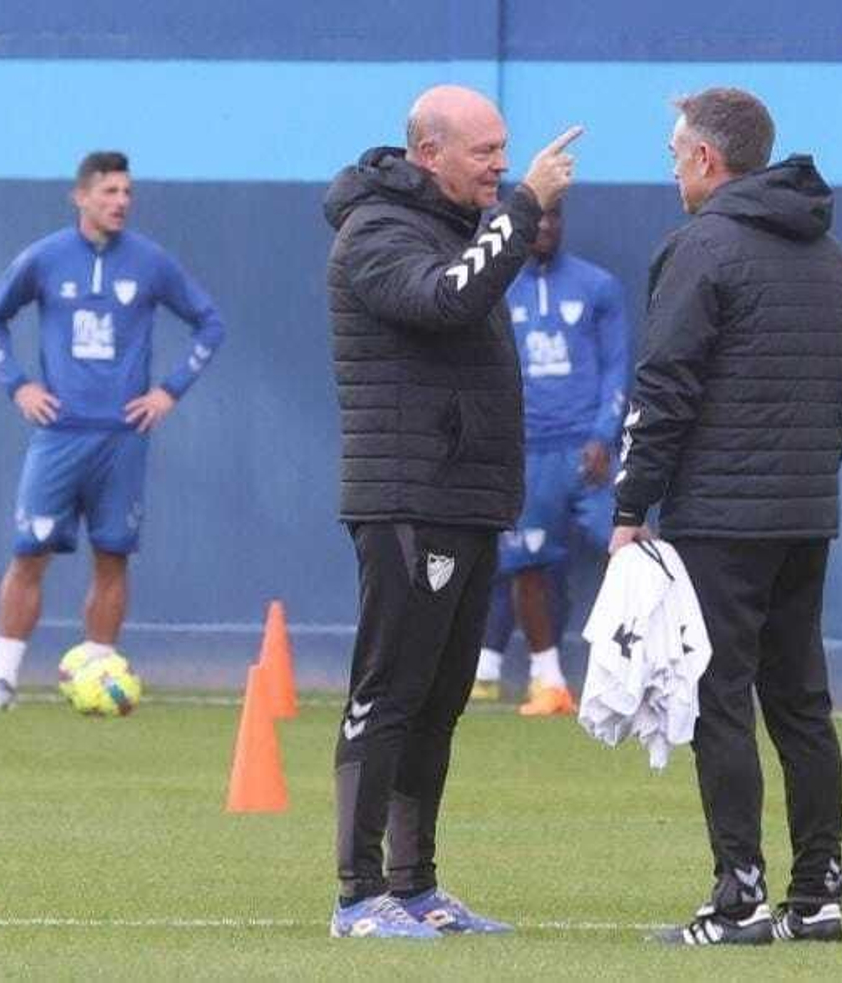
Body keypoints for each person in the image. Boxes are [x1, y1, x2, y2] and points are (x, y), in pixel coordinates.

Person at [321, 84, 580, 939]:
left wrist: (504, 213)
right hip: (408, 496)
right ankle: (359, 896)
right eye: (485, 151)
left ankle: (417, 885)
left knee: (438, 701)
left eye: (506, 150)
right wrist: (524, 205)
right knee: (389, 693)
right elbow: (447, 299)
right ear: (429, 153)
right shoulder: (377, 233)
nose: (502, 164)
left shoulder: (453, 227)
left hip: (465, 497)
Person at [610, 88, 842, 945]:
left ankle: (739, 896)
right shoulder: (832, 257)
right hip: (804, 514)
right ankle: (819, 890)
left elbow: (664, 386)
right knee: (801, 703)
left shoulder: (700, 248)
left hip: (719, 518)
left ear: (708, 160)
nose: (673, 171)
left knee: (720, 701)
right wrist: (806, 477)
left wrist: (630, 505)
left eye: (677, 156)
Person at [0, 151, 225, 712]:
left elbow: (210, 322)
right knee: (29, 553)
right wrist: (19, 385)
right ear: (81, 197)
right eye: (109, 192)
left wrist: (168, 391)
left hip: (123, 437)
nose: (121, 202)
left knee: (112, 557)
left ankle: (99, 674)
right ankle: (3, 681)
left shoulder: (151, 263)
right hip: (60, 434)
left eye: (127, 193)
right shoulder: (45, 259)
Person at [472, 199, 630, 716]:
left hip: (587, 450)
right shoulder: (496, 290)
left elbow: (616, 368)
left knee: (628, 552)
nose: (544, 226)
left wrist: (604, 435)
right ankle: (549, 681)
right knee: (527, 561)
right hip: (528, 451)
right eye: (535, 217)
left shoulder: (597, 286)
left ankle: (643, 671)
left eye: (554, 216)